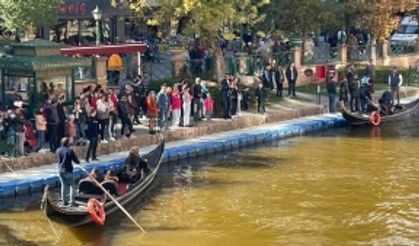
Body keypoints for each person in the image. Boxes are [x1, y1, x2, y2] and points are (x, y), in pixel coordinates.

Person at [56, 137, 80, 206]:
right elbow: (75, 159)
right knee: (72, 186)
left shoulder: (58, 150)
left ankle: (64, 201)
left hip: (60, 170)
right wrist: (78, 162)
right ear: (68, 143)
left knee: (63, 185)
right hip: (68, 170)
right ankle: (72, 202)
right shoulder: (70, 150)